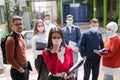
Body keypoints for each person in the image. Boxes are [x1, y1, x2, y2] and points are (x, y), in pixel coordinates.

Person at [5, 16, 30, 80]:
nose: (20, 26)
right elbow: (9, 59)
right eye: (17, 24)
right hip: (18, 71)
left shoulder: (21, 36)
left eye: (21, 24)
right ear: (12, 26)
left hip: (25, 68)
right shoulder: (11, 39)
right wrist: (20, 69)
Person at [62, 14, 81, 80]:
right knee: (67, 64)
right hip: (67, 51)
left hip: (75, 50)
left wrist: (77, 47)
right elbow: (63, 40)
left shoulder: (76, 28)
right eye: (68, 20)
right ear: (66, 20)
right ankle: (69, 77)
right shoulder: (63, 30)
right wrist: (67, 46)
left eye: (71, 20)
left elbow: (79, 38)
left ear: (73, 20)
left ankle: (75, 77)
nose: (70, 21)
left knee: (75, 64)